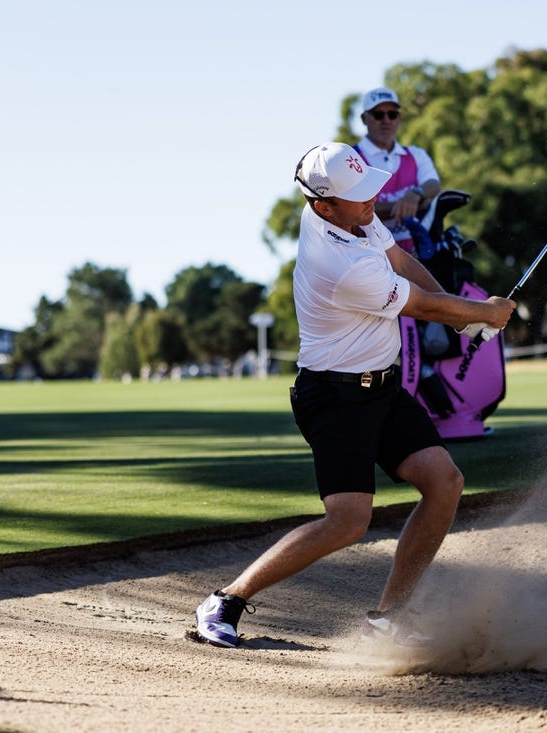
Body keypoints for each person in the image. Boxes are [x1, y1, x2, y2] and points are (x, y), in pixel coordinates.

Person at [194, 143, 516, 649]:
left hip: (382, 387)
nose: (374, 199)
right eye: (359, 194)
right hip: (334, 398)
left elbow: (405, 263)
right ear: (323, 206)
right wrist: (481, 313)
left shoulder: (355, 217)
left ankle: (388, 619)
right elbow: (425, 306)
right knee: (348, 522)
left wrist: (464, 322)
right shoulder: (338, 262)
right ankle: (226, 600)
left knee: (444, 482)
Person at [354, 87, 442, 255]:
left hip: (418, 256)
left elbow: (433, 185)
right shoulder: (351, 159)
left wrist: (415, 194)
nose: (386, 120)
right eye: (378, 114)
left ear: (399, 118)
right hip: (371, 261)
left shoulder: (416, 154)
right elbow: (355, 210)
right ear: (364, 119)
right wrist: (409, 204)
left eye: (392, 114)